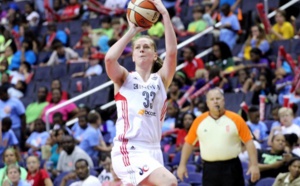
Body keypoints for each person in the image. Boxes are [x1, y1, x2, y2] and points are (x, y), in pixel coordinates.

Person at [104, 0, 177, 185]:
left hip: (154, 149)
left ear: (154, 55)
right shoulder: (124, 78)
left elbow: (171, 54)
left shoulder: (161, 80)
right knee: (170, 182)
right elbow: (110, 59)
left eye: (147, 47)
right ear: (133, 55)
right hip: (129, 149)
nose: (142, 49)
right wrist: (132, 31)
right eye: (138, 47)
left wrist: (165, 15)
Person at [177, 88, 260, 186]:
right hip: (210, 169)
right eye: (212, 99)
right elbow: (188, 144)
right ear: (207, 103)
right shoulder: (199, 121)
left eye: (218, 98)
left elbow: (249, 142)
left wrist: (254, 165)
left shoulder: (236, 119)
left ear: (223, 101)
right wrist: (182, 165)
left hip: (232, 167)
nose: (215, 101)